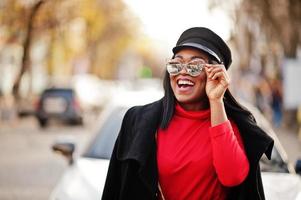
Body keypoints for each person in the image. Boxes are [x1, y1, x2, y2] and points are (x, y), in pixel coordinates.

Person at [102, 27, 274, 200]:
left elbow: (232, 178)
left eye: (195, 66)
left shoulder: (232, 126)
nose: (183, 71)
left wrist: (216, 100)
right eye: (176, 64)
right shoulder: (138, 121)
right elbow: (115, 188)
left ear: (214, 73)